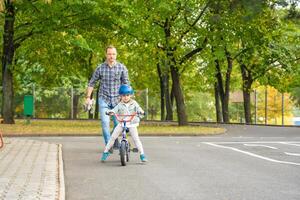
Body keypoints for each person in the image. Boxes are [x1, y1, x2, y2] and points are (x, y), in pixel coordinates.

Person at [85, 45, 129, 150]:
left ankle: (113, 139)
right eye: (109, 54)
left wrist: (127, 99)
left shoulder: (122, 68)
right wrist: (87, 97)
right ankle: (108, 146)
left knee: (118, 124)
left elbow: (126, 84)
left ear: (116, 55)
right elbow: (92, 83)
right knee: (105, 122)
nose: (111, 56)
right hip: (103, 98)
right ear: (106, 55)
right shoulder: (100, 68)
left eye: (113, 54)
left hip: (118, 100)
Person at [101, 84, 148, 162]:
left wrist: (141, 111)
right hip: (122, 123)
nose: (125, 97)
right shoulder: (119, 105)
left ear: (130, 95)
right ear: (120, 96)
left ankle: (142, 154)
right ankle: (106, 152)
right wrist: (110, 112)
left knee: (136, 139)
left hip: (132, 123)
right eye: (123, 95)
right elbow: (114, 110)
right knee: (113, 137)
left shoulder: (134, 103)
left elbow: (139, 109)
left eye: (127, 95)